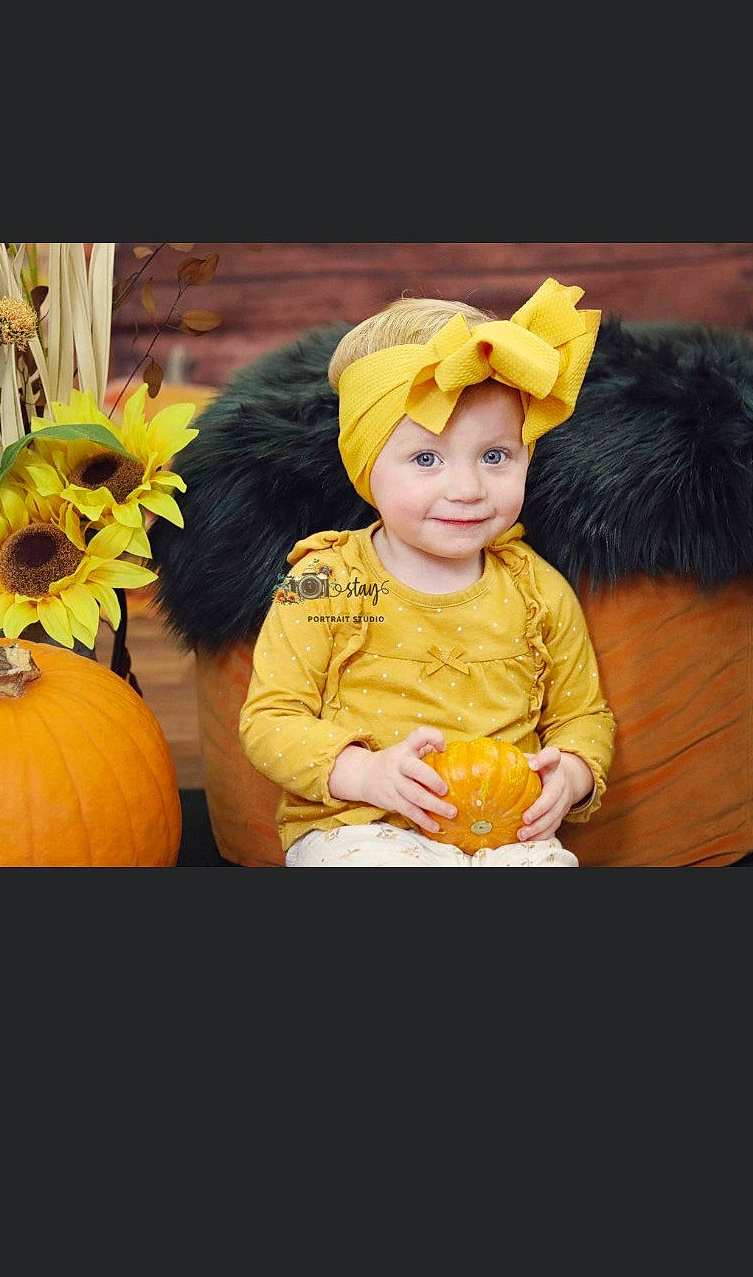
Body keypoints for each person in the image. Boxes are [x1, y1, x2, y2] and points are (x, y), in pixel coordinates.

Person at [238, 280, 616, 868]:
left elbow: (581, 715)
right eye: (425, 459)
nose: (465, 490)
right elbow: (269, 719)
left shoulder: (537, 589)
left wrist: (570, 773)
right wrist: (362, 771)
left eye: (495, 457)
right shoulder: (322, 577)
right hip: (359, 828)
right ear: (367, 465)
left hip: (506, 833)